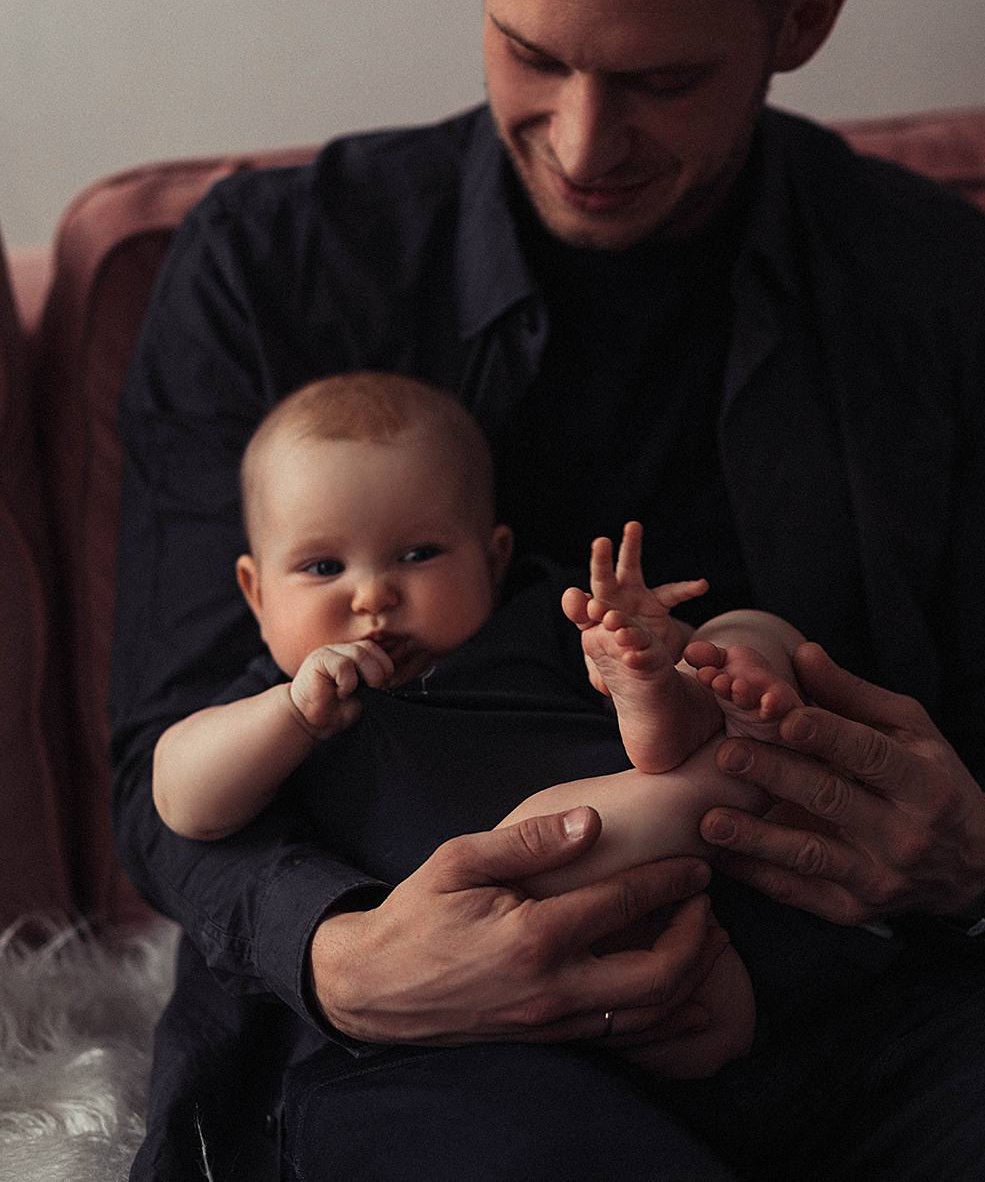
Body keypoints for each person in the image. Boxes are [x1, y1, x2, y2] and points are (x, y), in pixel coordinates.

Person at [111, 0, 985, 1180]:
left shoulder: (941, 288)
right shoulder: (271, 270)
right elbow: (167, 746)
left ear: (803, 19)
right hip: (429, 1031)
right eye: (534, 53)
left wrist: (978, 869)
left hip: (862, 1009)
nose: (586, 144)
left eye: (664, 81)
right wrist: (341, 958)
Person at [151, 370, 810, 1080]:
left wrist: (646, 656)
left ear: (492, 558)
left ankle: (693, 714)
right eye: (322, 567)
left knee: (748, 631)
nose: (374, 594)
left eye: (417, 555)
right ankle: (727, 774)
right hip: (481, 956)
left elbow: (656, 708)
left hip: (677, 911)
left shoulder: (539, 623)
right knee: (548, 835)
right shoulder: (289, 699)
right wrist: (291, 716)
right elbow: (179, 796)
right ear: (255, 591)